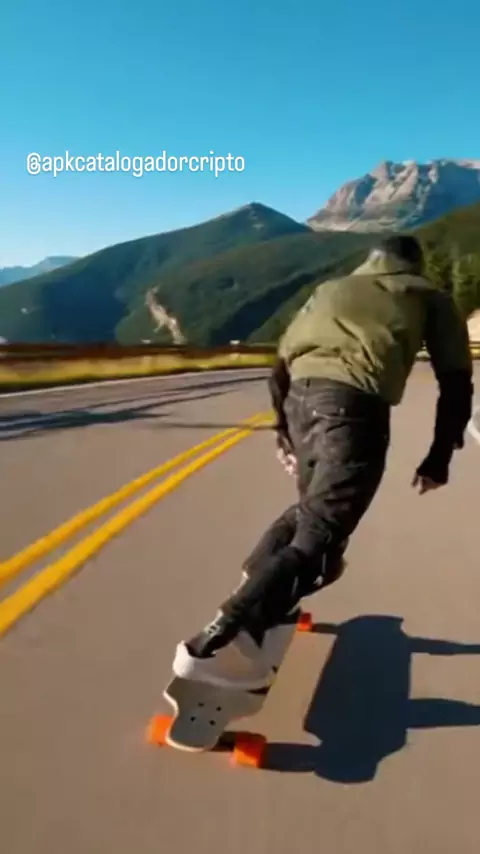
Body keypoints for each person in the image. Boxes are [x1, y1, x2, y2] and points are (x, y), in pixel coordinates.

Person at [172, 235, 474, 690]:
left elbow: (280, 364)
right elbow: (456, 382)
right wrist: (438, 457)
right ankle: (217, 637)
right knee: (323, 531)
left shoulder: (331, 289)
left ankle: (262, 588)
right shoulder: (427, 296)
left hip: (299, 400)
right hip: (352, 409)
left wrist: (283, 432)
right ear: (415, 265)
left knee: (312, 516)